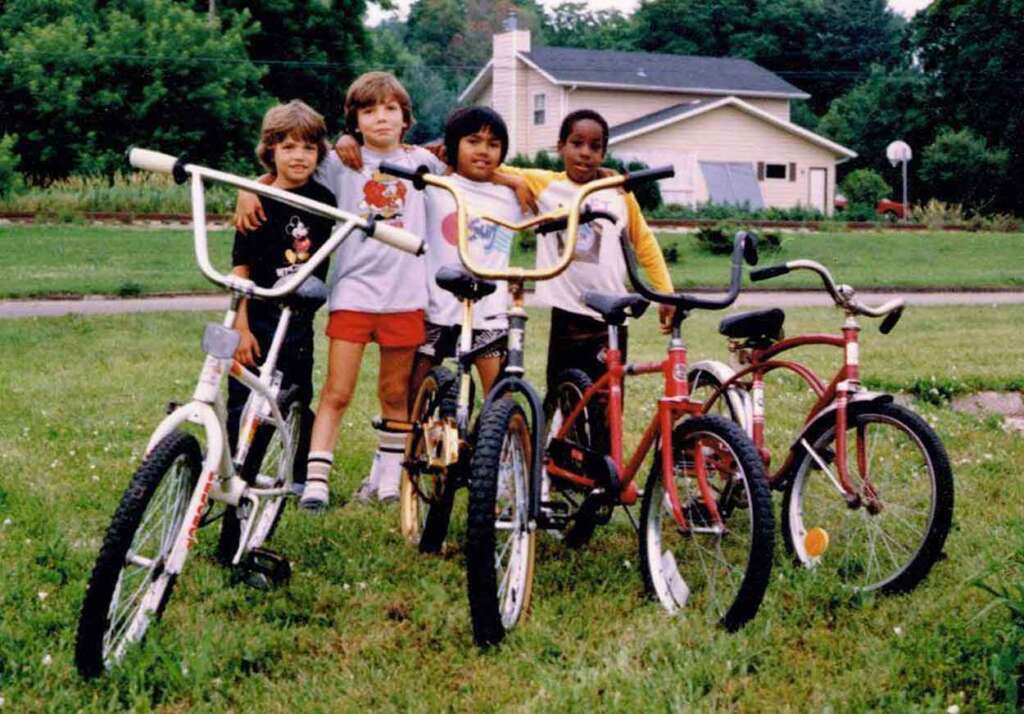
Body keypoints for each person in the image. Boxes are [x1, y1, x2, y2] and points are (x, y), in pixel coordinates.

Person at [234, 72, 445, 509]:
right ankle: (315, 482)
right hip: (353, 294)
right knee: (337, 390)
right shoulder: (340, 161)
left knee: (394, 393)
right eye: (369, 111)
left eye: (390, 109)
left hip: (406, 297)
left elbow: (476, 169)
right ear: (354, 120)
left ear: (406, 118)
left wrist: (518, 181)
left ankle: (390, 480)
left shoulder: (426, 162)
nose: (381, 118)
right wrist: (247, 191)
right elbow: (289, 165)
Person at [501, 109, 675, 451]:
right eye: (577, 143)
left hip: (609, 318)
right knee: (564, 396)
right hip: (566, 314)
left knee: (608, 401)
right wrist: (517, 182)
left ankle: (604, 472)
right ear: (560, 146)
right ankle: (561, 464)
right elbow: (489, 167)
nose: (585, 153)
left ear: (604, 153)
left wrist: (664, 293)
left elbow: (644, 243)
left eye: (595, 146)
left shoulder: (618, 192)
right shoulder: (546, 184)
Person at [226, 100, 336, 493]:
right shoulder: (256, 201)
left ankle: (296, 474)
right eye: (288, 146)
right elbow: (241, 268)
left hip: (298, 317)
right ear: (270, 149)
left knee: (295, 395)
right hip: (256, 314)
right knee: (243, 394)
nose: (299, 156)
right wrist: (240, 325)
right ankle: (235, 469)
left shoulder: (325, 201)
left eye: (308, 147)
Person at [411, 106, 523, 400]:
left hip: (489, 312)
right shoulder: (436, 187)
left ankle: (490, 446)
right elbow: (393, 156)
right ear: (453, 145)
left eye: (493, 144)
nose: (484, 151)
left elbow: (561, 182)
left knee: (499, 399)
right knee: (416, 389)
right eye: (473, 141)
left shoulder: (511, 196)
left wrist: (514, 180)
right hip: (437, 308)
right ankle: (407, 443)